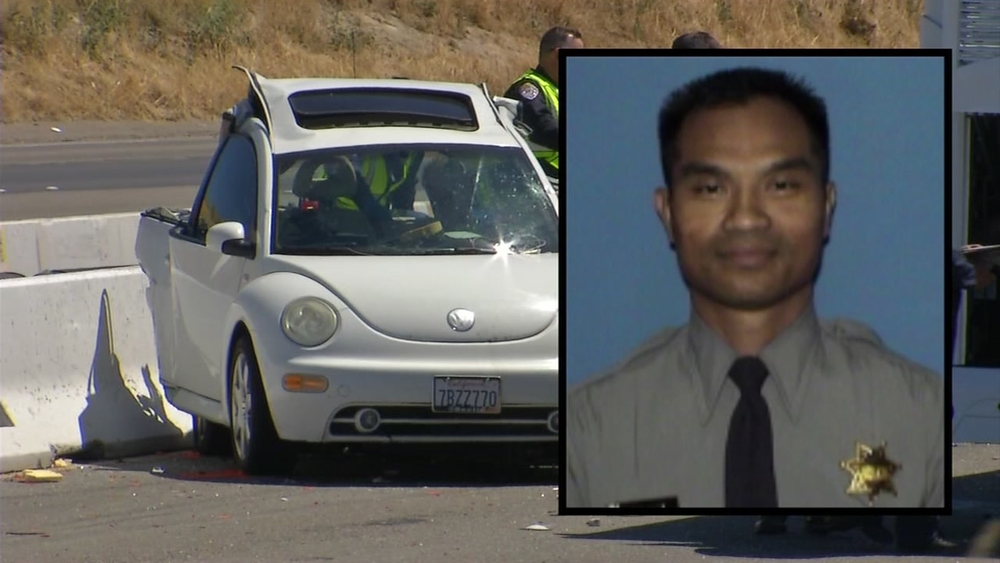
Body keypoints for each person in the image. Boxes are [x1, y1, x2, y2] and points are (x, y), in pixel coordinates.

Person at [565, 67, 944, 509]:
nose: (746, 218)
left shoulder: (918, 410)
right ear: (668, 213)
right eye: (711, 188)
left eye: (781, 186)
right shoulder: (592, 425)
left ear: (826, 206)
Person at [504, 26, 583, 180]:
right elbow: (545, 128)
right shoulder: (528, 88)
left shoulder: (560, 89)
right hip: (538, 178)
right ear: (558, 55)